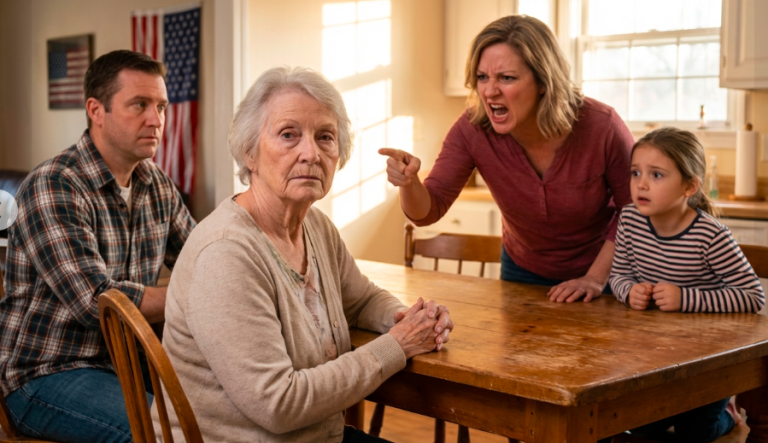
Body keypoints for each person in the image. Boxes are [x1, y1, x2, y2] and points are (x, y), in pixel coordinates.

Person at [152, 66, 454, 443]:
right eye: (288, 135)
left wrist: (405, 317)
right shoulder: (225, 253)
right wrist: (398, 343)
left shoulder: (316, 227)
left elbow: (359, 300)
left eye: (325, 137)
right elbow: (279, 403)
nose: (310, 153)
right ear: (249, 152)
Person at [0, 50, 195, 443]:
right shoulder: (54, 184)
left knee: (229, 418)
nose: (156, 120)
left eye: (160, 106)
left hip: (127, 364)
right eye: (139, 105)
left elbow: (204, 259)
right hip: (45, 373)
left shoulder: (156, 184)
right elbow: (97, 301)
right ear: (96, 110)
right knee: (164, 436)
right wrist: (194, 295)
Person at [380, 15, 633, 303]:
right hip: (522, 270)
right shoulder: (472, 129)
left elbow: (634, 211)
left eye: (507, 78)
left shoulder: (602, 126)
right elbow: (428, 211)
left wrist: (595, 278)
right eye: (482, 77)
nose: (489, 91)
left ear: (543, 81)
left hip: (605, 273)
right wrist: (409, 183)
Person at [608, 127, 764, 442]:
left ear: (689, 186)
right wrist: (629, 291)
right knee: (637, 426)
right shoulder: (629, 219)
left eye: (657, 175)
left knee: (696, 431)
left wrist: (686, 298)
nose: (641, 183)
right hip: (650, 357)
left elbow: (752, 296)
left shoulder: (710, 235)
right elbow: (618, 275)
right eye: (635, 172)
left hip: (706, 363)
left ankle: (728, 415)